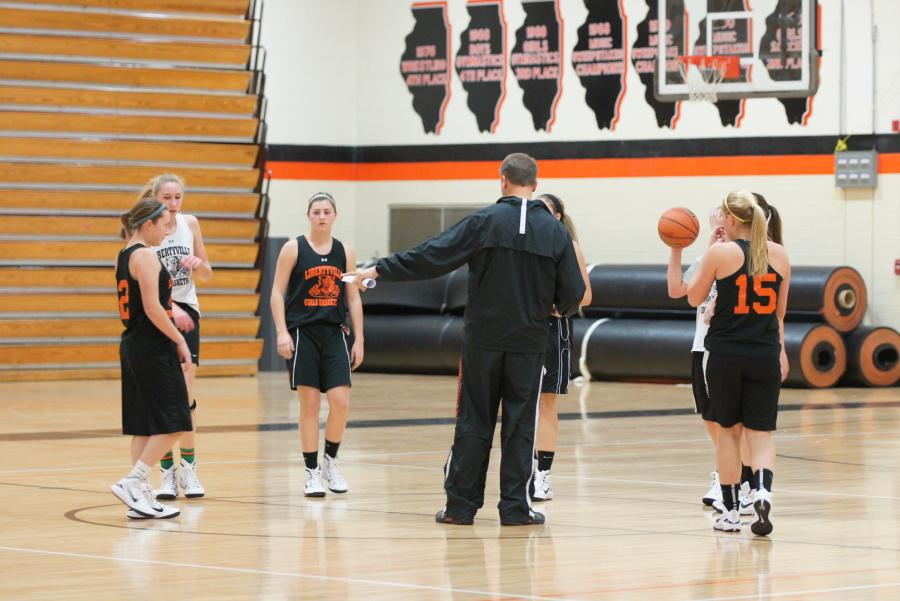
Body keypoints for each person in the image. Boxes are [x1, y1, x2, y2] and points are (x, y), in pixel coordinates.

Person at [351, 154, 585, 526]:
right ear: (535, 185)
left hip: (483, 341)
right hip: (529, 342)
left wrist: (379, 269)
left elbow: (432, 255)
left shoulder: (484, 221)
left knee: (474, 420)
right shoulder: (556, 232)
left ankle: (461, 507)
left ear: (503, 180)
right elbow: (574, 291)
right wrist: (557, 307)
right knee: (520, 423)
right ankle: (514, 508)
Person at [668, 197, 783, 515]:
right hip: (760, 351)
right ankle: (757, 490)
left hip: (722, 350)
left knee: (728, 432)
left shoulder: (722, 255)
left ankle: (734, 497)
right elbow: (780, 314)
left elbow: (692, 297)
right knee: (751, 433)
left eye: (721, 211)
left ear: (732, 219)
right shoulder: (777, 256)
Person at [270, 192, 365, 497]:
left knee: (340, 401)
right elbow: (276, 294)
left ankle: (330, 463)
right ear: (308, 216)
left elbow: (352, 296)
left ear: (334, 215)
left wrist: (359, 339)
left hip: (334, 332)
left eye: (326, 211)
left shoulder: (344, 252)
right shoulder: (293, 248)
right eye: (316, 211)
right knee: (309, 406)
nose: (322, 216)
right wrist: (282, 332)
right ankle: (311, 471)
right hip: (303, 333)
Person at [113, 196, 193, 519]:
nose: (166, 231)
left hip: (133, 344)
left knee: (144, 427)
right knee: (176, 421)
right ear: (148, 224)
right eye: (163, 225)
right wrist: (180, 340)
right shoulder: (145, 256)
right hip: (151, 346)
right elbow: (152, 308)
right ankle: (133, 482)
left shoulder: (123, 254)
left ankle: (139, 497)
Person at [147, 174, 212, 501]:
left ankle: (190, 467)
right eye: (167, 198)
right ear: (155, 197)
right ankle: (167, 473)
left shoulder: (191, 224)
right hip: (158, 313)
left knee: (185, 393)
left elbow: (208, 273)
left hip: (189, 311)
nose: (173, 205)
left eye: (177, 198)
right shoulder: (146, 228)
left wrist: (197, 262)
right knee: (163, 394)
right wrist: (169, 306)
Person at [531, 193, 592, 502]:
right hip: (522, 328)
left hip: (554, 330)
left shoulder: (570, 246)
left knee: (546, 403)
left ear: (556, 217)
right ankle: (521, 469)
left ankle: (543, 474)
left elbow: (586, 296)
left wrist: (559, 304)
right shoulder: (524, 245)